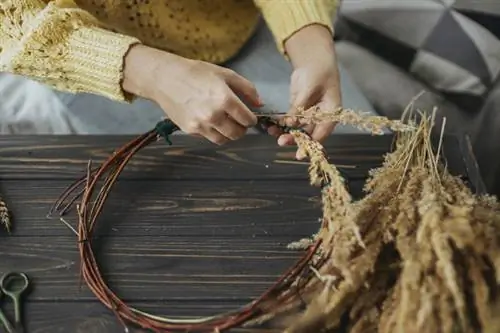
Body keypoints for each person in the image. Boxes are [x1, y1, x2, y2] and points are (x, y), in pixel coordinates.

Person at [0, 0, 372, 159]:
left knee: (361, 150)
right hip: (98, 66)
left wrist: (309, 39)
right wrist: (153, 74)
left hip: (242, 28)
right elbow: (11, 22)